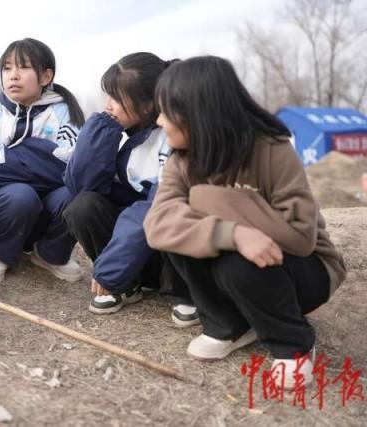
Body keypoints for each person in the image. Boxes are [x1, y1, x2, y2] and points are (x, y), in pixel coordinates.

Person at [146, 56, 346, 388]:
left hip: (306, 270)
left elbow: (299, 236)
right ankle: (229, 326)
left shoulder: (271, 149)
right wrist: (233, 232)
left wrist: (209, 203)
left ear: (198, 114)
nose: (158, 121)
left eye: (166, 111)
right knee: (185, 240)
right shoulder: (181, 162)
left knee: (233, 261)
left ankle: (293, 344)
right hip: (250, 258)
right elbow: (159, 225)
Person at [63, 52, 197, 323]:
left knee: (175, 211)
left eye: (116, 98)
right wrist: (100, 133)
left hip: (173, 251)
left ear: (147, 104)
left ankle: (187, 292)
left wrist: (110, 268)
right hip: (140, 250)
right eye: (108, 96)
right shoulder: (129, 139)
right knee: (83, 205)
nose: (108, 105)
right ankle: (127, 285)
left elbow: (156, 205)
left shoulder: (174, 138)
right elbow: (81, 186)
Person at [0, 38, 86, 285]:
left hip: (45, 210)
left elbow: (73, 170)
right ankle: (2, 253)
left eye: (23, 67)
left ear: (45, 76)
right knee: (21, 195)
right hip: (1, 206)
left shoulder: (65, 112)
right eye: (7, 68)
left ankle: (50, 253)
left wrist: (13, 153)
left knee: (75, 193)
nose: (13, 76)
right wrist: (43, 152)